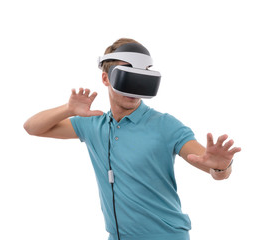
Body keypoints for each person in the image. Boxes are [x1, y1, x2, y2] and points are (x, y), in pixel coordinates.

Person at [23, 38, 241, 240]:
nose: (134, 87)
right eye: (127, 75)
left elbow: (212, 167)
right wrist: (68, 109)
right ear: (105, 78)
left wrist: (222, 166)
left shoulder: (166, 125)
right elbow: (32, 127)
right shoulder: (93, 125)